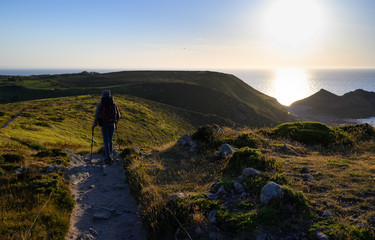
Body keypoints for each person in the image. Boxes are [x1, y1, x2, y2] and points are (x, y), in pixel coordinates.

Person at [92, 90, 120, 164]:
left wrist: (94, 125)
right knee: (110, 140)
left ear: (103, 95)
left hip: (104, 124)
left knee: (106, 141)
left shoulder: (101, 104)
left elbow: (97, 116)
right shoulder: (114, 104)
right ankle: (111, 155)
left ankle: (108, 158)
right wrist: (116, 122)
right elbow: (118, 115)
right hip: (112, 124)